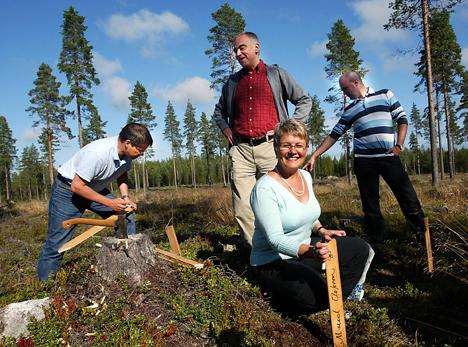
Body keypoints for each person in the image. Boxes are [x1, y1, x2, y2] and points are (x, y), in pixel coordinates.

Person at [250, 119, 374, 316]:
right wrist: (310, 252)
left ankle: (333, 301)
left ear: (306, 148)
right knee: (317, 298)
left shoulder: (305, 177)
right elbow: (275, 239)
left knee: (361, 250)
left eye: (299, 145)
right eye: (286, 145)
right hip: (273, 261)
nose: (293, 151)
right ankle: (279, 297)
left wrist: (321, 230)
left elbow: (306, 214)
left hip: (306, 248)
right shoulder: (264, 188)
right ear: (276, 148)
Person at [213, 31, 312, 245]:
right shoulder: (231, 83)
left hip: (271, 147)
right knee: (244, 206)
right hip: (240, 150)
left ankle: (290, 247)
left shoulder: (276, 74)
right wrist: (225, 129)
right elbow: (218, 112)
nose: (238, 53)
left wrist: (290, 128)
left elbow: (304, 99)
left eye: (242, 48)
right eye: (235, 50)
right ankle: (256, 253)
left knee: (281, 200)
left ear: (256, 48)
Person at [305, 71, 426, 243]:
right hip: (364, 161)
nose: (343, 93)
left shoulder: (385, 94)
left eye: (344, 88)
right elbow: (334, 135)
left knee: (408, 197)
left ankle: (423, 237)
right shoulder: (350, 109)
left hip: (388, 157)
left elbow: (402, 119)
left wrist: (399, 145)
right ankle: (377, 243)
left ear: (355, 83)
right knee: (370, 205)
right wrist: (315, 155)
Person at [36, 123, 153, 281]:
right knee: (56, 244)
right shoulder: (98, 153)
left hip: (95, 187)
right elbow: (77, 186)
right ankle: (45, 289)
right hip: (68, 191)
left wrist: (125, 197)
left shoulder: (127, 155)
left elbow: (122, 174)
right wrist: (110, 203)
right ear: (128, 143)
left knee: (126, 215)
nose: (141, 154)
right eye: (139, 150)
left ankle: (125, 268)